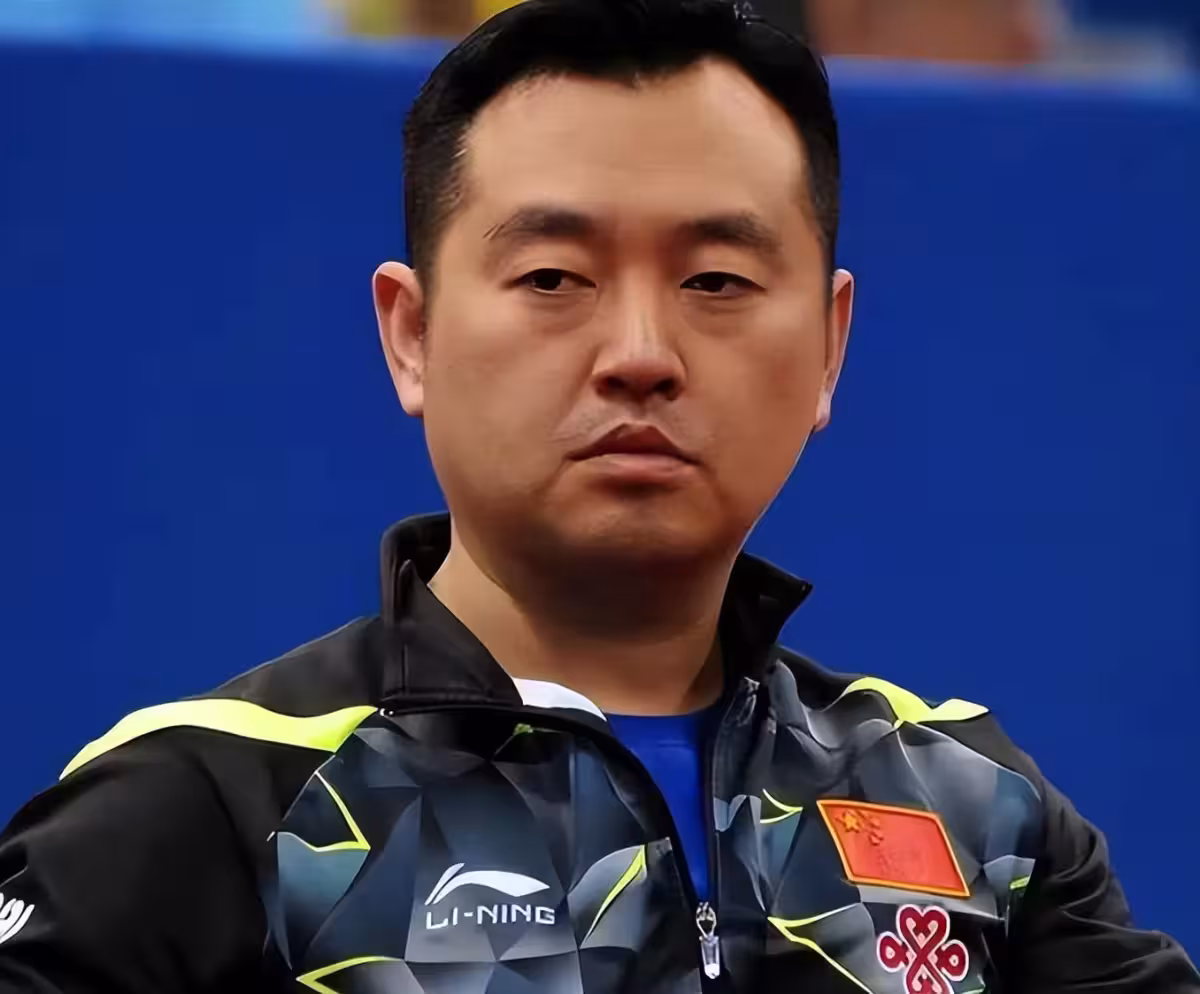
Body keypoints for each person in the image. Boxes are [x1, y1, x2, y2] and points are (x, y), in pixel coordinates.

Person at [0, 0, 1196, 991]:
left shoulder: (970, 808)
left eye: (716, 279)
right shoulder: (206, 806)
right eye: (553, 276)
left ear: (830, 346)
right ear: (411, 335)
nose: (640, 353)